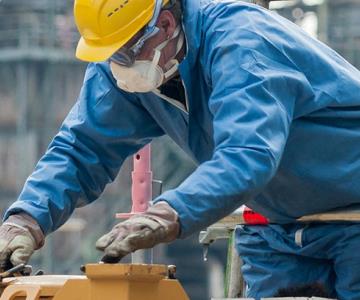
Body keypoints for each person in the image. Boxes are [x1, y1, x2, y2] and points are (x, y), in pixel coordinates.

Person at [0, 0, 360, 298]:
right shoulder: (130, 67)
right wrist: (27, 219)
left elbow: (247, 155)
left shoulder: (242, 44)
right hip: (280, 229)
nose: (116, 67)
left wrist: (169, 212)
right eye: (109, 56)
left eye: (124, 54)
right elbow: (81, 149)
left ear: (167, 23)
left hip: (352, 215)